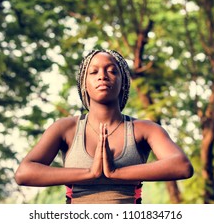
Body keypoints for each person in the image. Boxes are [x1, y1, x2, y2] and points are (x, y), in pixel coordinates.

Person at [14, 49, 193, 204]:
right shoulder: (65, 128)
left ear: (123, 82)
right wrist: (90, 173)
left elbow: (182, 166)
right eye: (93, 72)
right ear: (84, 84)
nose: (102, 76)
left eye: (112, 71)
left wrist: (116, 173)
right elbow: (24, 173)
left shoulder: (144, 129)